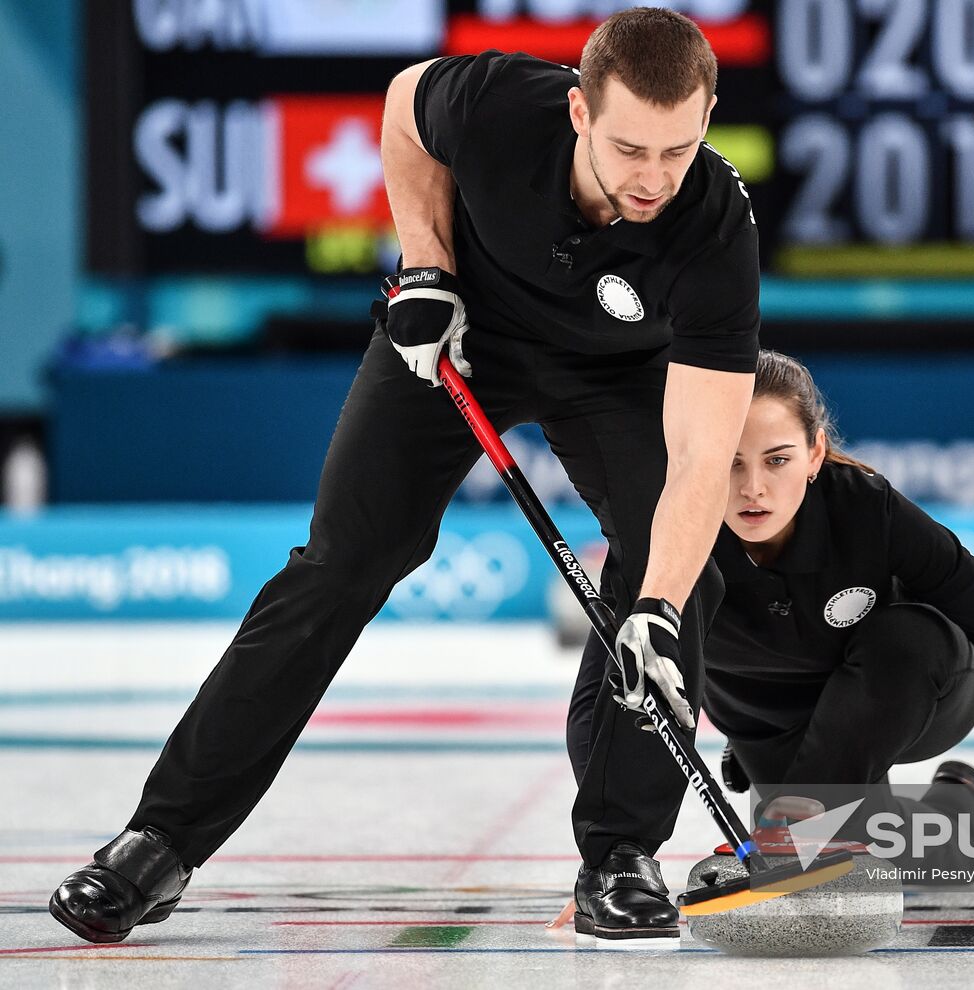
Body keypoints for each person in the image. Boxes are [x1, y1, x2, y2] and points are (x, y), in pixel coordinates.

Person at [50, 8, 759, 948]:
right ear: (581, 112)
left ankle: (620, 856)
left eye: (679, 149)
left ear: (707, 118)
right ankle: (160, 841)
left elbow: (705, 459)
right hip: (461, 334)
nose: (654, 178)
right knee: (343, 563)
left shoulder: (712, 227)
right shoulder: (505, 104)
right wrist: (427, 266)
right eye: (631, 147)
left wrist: (658, 609)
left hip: (612, 372)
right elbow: (401, 108)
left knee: (677, 576)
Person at [567, 349, 974, 872]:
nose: (753, 488)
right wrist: (612, 853)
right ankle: (961, 817)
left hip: (914, 691)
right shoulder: (665, 533)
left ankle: (808, 815)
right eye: (729, 462)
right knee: (906, 859)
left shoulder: (865, 509)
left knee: (907, 636)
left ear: (814, 455)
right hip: (769, 725)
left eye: (776, 459)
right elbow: (602, 693)